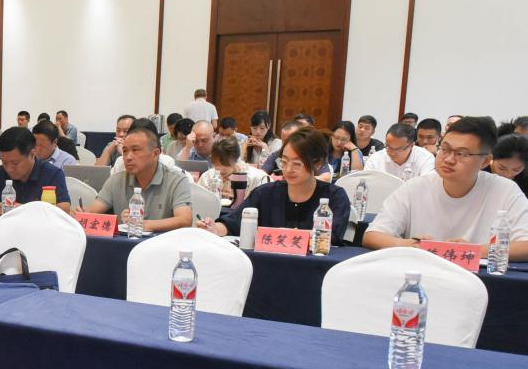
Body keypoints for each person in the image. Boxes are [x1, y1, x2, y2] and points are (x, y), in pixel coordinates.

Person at [364, 116, 528, 259]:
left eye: (461, 153)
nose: (449, 159)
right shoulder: (415, 187)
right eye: (445, 149)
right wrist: (409, 245)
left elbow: (525, 245)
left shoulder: (505, 191)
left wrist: (474, 251)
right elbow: (373, 235)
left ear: (485, 161)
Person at [201, 127, 350, 242]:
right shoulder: (265, 193)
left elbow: (332, 236)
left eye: (297, 164)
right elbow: (234, 222)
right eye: (284, 162)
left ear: (317, 163)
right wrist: (215, 228)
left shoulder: (334, 197)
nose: (288, 169)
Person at [84, 121, 191, 231]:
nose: (128, 157)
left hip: (162, 241)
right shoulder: (116, 180)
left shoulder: (176, 180)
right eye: (125, 151)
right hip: (125, 241)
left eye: (135, 150)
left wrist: (143, 225)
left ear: (155, 154)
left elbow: (185, 220)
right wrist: (81, 215)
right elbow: (91, 212)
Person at [0, 126, 70, 213]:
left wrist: (22, 209)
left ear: (32, 154)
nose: (9, 169)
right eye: (4, 162)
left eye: (15, 163)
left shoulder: (52, 174)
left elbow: (65, 209)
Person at [197, 137, 267, 204]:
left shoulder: (256, 177)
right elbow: (197, 201)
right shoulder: (207, 177)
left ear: (236, 159)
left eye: (225, 164)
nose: (221, 169)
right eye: (216, 164)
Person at [364, 123, 435, 181]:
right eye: (388, 147)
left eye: (398, 149)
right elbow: (366, 185)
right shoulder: (375, 159)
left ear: (411, 145)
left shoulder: (425, 158)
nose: (392, 153)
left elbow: (428, 185)